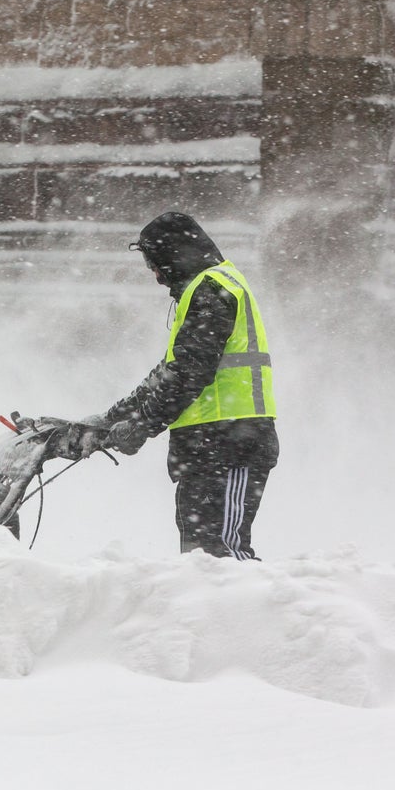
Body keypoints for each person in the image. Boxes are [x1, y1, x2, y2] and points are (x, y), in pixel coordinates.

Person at [87, 212, 279, 560]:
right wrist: (113, 417)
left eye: (155, 265)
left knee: (224, 556)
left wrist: (143, 425)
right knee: (200, 561)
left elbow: (189, 372)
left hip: (232, 442)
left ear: (173, 256)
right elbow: (169, 371)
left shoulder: (213, 289)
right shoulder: (200, 291)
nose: (156, 276)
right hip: (208, 447)